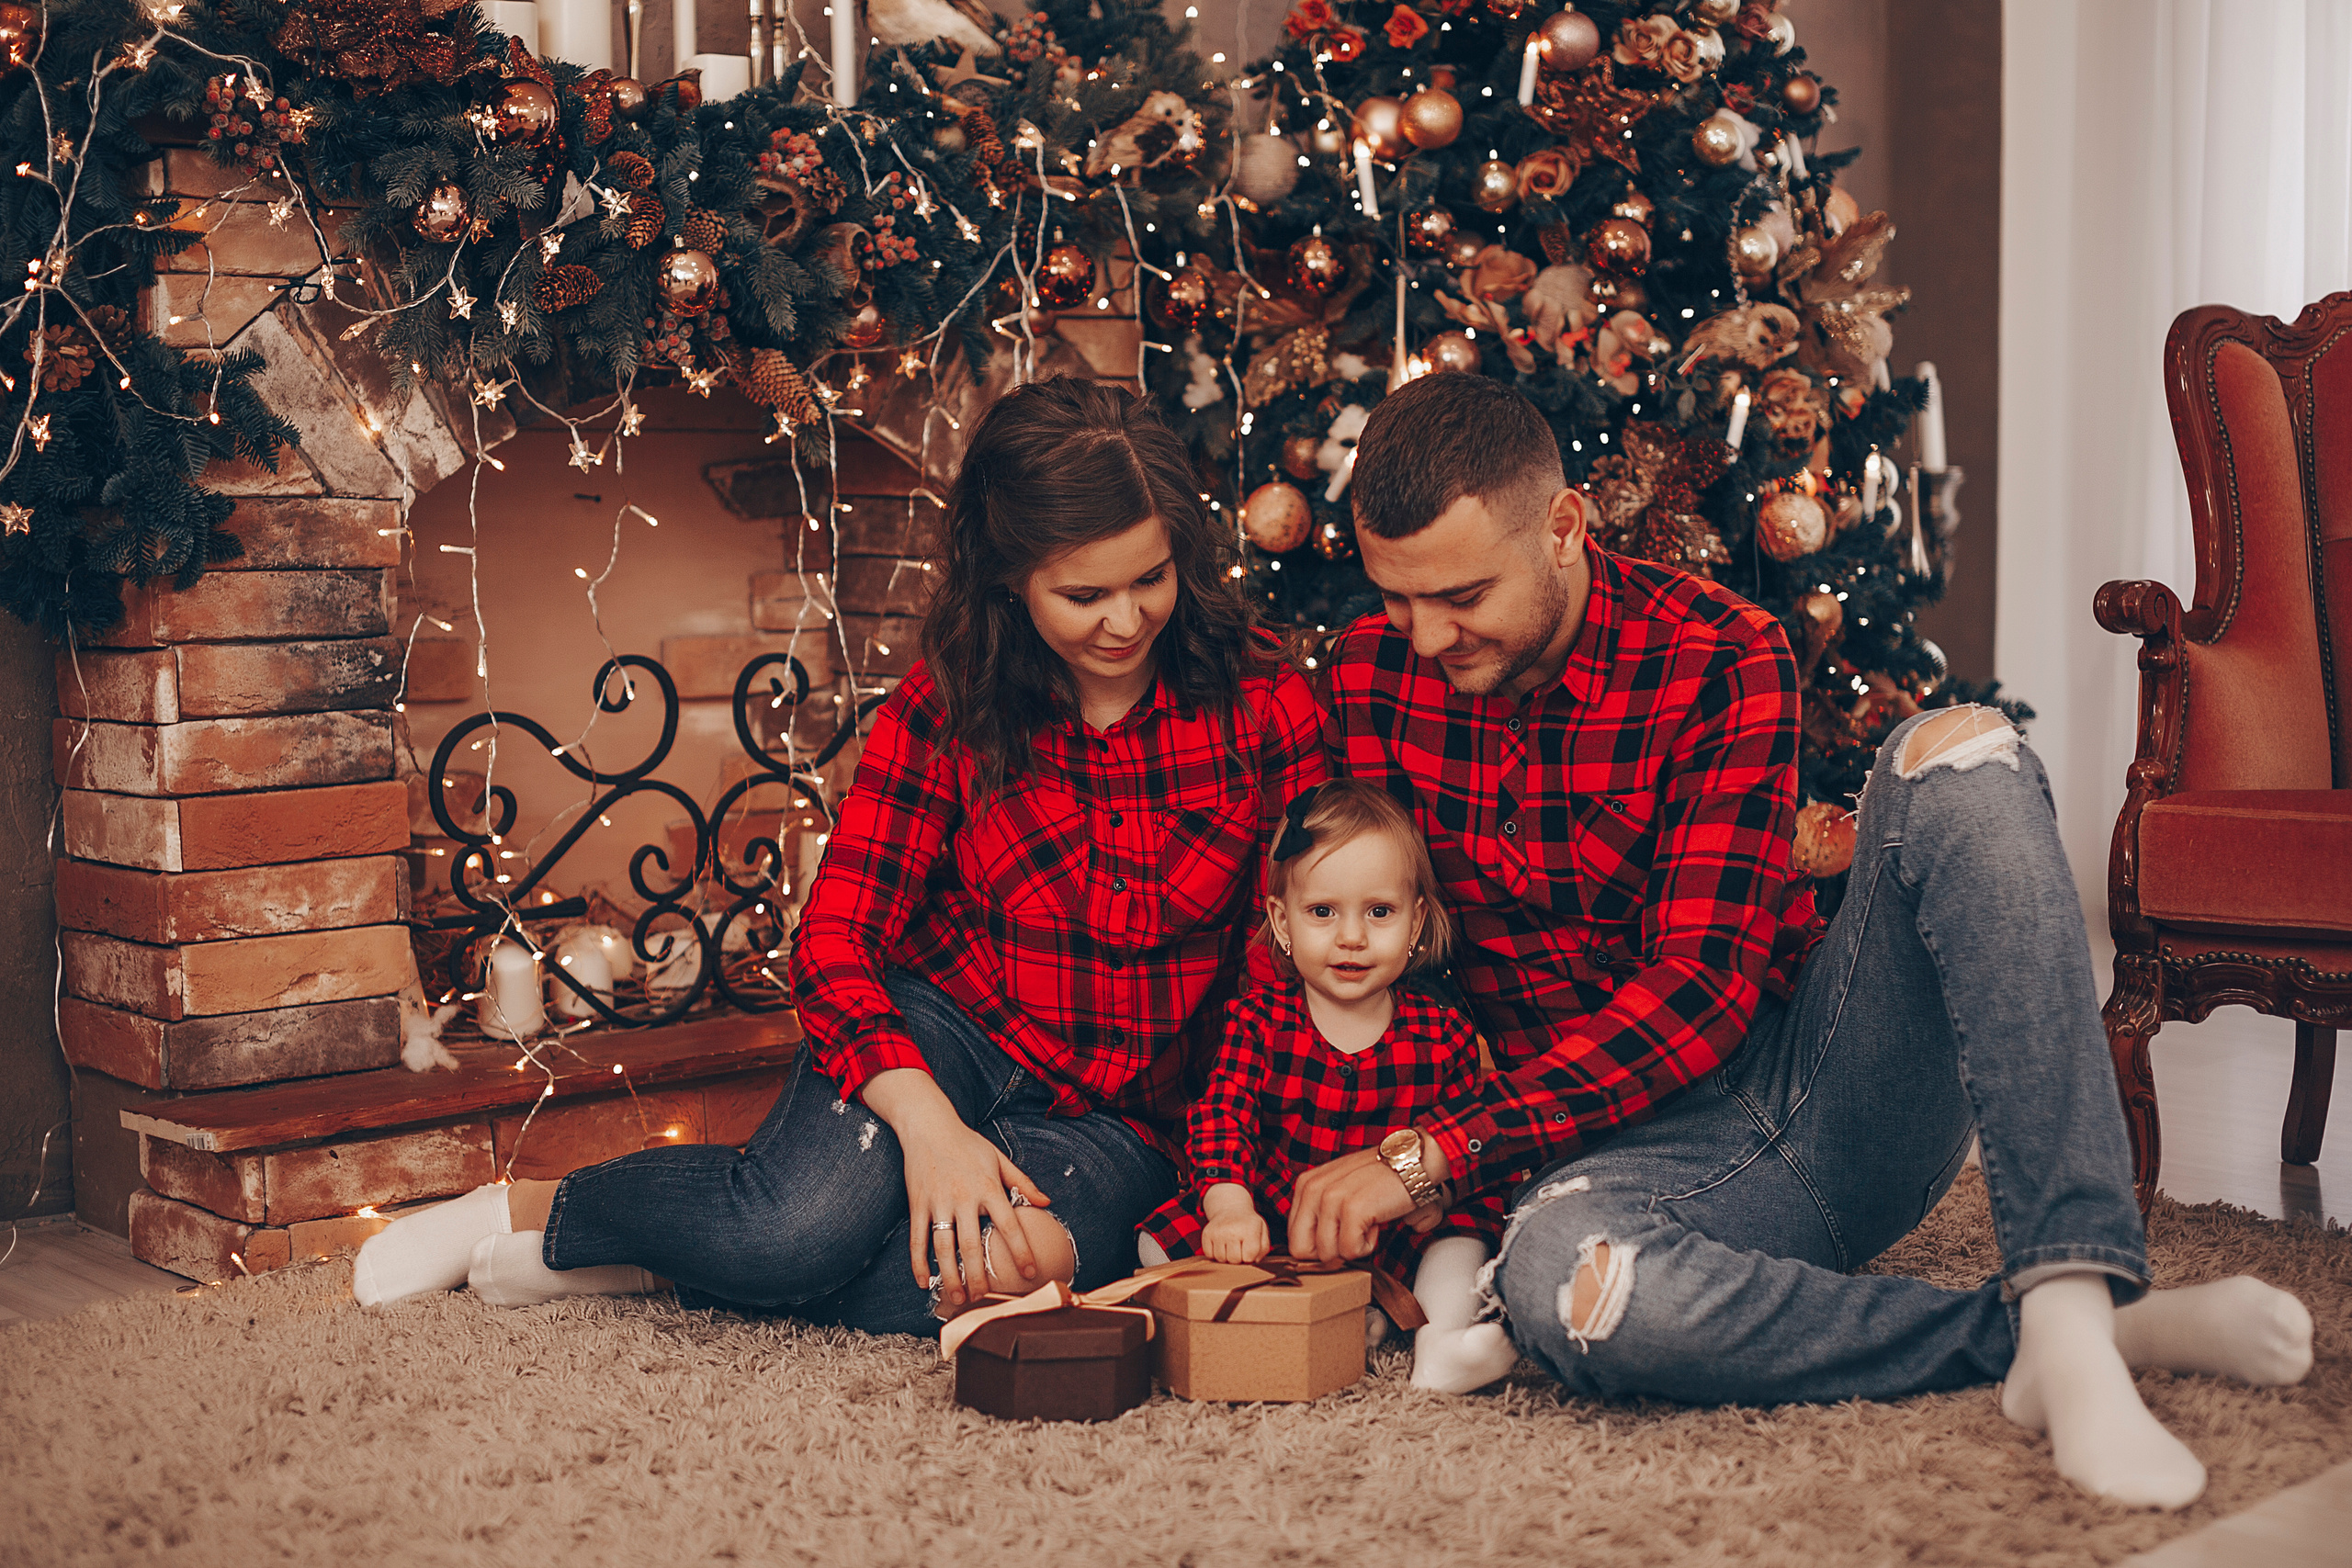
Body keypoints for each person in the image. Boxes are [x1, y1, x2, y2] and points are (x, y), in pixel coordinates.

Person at [1281, 371, 2313, 1511]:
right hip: (1610, 1164)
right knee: (1576, 1292)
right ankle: (2059, 1338)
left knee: (1961, 755)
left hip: (1824, 1089)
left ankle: (2072, 1296)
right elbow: (1361, 937)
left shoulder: (1721, 651)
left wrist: (1429, 1151)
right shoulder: (1365, 682)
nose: (1424, 636)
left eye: (1461, 594)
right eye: (1395, 600)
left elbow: (1701, 991)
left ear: (1565, 526)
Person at [353, 378, 1327, 1328]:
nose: (1125, 621)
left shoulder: (1265, 705)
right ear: (1009, 578)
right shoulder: (948, 705)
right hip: (948, 1036)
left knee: (976, 1278)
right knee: (792, 1232)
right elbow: (835, 941)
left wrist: (1235, 1171)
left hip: (1126, 1116)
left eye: (1149, 579)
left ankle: (665, 1267)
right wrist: (928, 1124)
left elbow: (1280, 973)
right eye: (1084, 594)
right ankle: (534, 1209)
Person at [1138, 779, 1518, 1394]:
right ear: (1282, 922)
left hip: (1388, 1232)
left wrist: (1434, 1198)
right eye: (1323, 912)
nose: (1351, 936)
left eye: (1379, 911)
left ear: (1417, 919)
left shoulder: (1443, 1031)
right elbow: (1222, 1114)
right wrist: (1230, 1206)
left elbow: (1462, 1145)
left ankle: (1441, 1343)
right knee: (1158, 1237)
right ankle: (1248, 1320)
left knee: (1464, 1235)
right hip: (1273, 1223)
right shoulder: (1258, 1019)